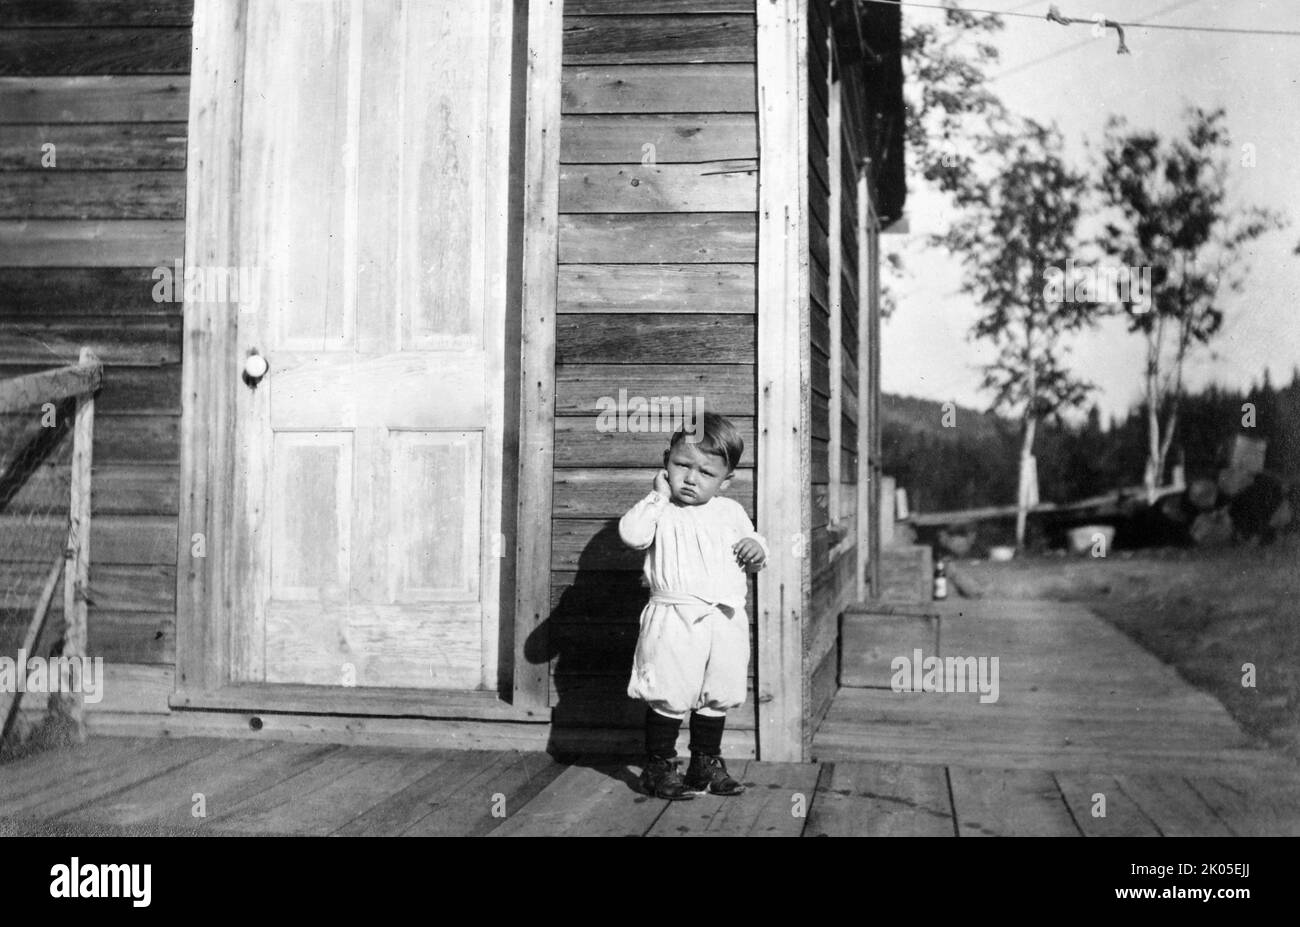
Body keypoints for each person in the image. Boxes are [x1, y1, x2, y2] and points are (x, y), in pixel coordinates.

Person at [618, 411, 768, 800]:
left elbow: (756, 545)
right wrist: (657, 494)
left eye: (706, 473)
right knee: (670, 688)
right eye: (682, 465)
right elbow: (632, 535)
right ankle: (659, 766)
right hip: (674, 617)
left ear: (725, 481)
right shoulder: (660, 508)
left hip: (724, 617)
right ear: (665, 461)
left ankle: (705, 764)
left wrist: (756, 550)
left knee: (717, 689)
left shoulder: (730, 512)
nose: (690, 478)